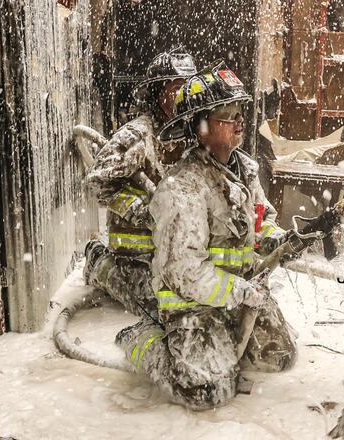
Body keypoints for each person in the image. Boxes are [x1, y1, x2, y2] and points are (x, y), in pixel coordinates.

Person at [117, 63, 296, 410]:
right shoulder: (183, 188)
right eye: (227, 114)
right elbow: (185, 272)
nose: (239, 120)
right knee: (204, 393)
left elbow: (261, 222)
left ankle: (224, 346)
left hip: (239, 297)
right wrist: (240, 292)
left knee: (280, 357)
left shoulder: (244, 170)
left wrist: (277, 240)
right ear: (201, 128)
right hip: (193, 306)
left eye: (238, 111)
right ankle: (146, 339)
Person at [83, 48, 197, 323]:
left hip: (172, 254)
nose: (185, 96)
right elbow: (97, 182)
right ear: (159, 92)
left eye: (189, 88)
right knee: (156, 307)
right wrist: (142, 211)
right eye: (178, 88)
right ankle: (99, 262)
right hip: (135, 258)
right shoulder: (138, 135)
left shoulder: (193, 133)